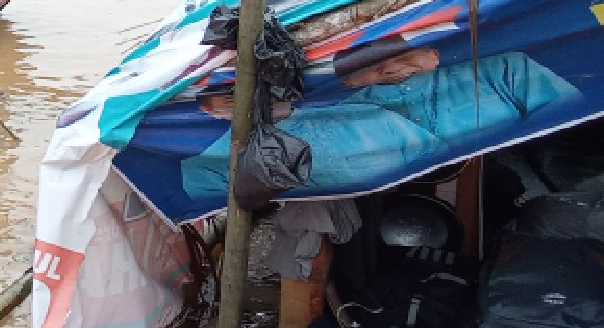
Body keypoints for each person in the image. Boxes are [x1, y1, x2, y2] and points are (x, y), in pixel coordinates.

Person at [180, 38, 579, 202]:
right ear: (348, 79)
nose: (390, 71)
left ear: (434, 54)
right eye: (373, 67)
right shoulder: (328, 115)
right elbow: (201, 177)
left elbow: (567, 125)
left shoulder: (502, 70)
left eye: (403, 57)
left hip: (526, 168)